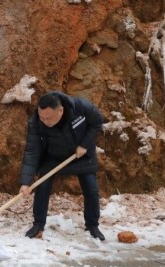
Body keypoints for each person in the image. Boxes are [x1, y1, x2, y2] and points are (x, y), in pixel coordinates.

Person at [19, 91, 105, 240]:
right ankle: (38, 224)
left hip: (81, 154)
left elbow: (97, 122)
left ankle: (92, 225)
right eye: (41, 117)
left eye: (48, 118)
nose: (44, 121)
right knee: (42, 186)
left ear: (61, 111)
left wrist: (84, 144)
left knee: (91, 188)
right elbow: (32, 151)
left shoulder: (80, 107)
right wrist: (26, 182)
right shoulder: (36, 122)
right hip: (53, 156)